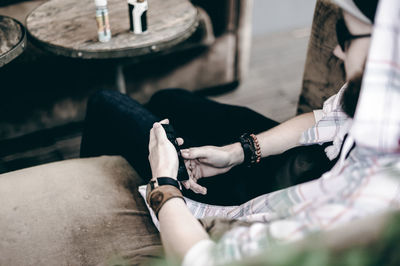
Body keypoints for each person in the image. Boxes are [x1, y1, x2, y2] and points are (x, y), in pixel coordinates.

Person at [79, 0, 400, 264]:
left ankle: (89, 202)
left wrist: (163, 184)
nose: (337, 52)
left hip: (270, 203)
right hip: (308, 165)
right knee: (168, 99)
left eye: (345, 35)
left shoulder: (365, 204)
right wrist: (241, 150)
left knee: (106, 104)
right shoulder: (383, 91)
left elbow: (203, 259)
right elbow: (329, 117)